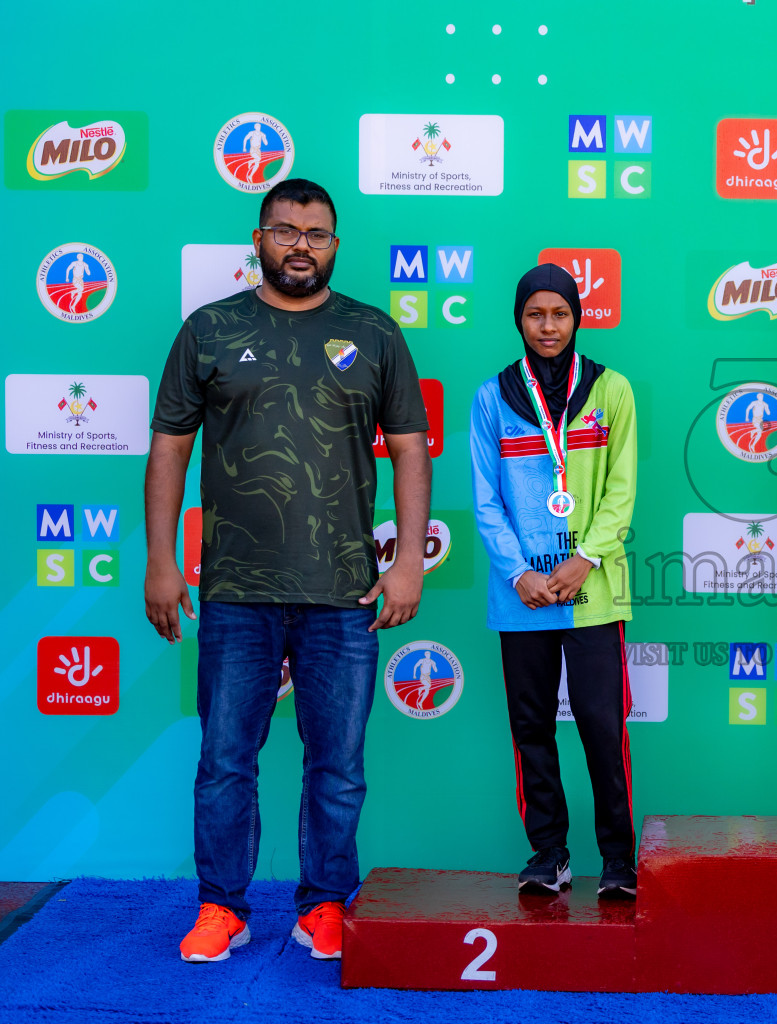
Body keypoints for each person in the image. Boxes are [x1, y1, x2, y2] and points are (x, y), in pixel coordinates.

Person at [144, 178, 432, 961]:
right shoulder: (209, 329)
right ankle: (221, 908)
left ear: (335, 244)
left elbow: (409, 445)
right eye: (285, 230)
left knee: (337, 765)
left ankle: (325, 905)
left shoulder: (373, 332)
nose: (300, 244)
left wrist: (408, 562)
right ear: (258, 238)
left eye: (316, 233)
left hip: (343, 589)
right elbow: (170, 445)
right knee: (224, 761)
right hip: (234, 587)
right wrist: (160, 562)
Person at [470, 264, 639, 897]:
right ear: (519, 319)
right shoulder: (492, 397)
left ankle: (618, 862)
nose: (548, 326)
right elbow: (485, 499)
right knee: (532, 728)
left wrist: (587, 557)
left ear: (577, 316)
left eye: (560, 313)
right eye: (536, 314)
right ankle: (550, 854)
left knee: (602, 726)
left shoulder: (612, 390)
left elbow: (620, 491)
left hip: (593, 588)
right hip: (522, 597)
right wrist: (517, 571)